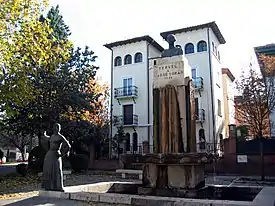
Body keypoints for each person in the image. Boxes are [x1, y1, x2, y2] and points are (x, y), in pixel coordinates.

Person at [42, 123, 71, 191]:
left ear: (60, 129)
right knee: (48, 170)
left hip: (56, 154)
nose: (56, 129)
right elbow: (46, 138)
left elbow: (68, 146)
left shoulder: (60, 137)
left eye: (58, 127)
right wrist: (44, 134)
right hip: (49, 154)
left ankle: (58, 187)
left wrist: (62, 154)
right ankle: (48, 186)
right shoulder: (52, 136)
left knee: (57, 170)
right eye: (55, 127)